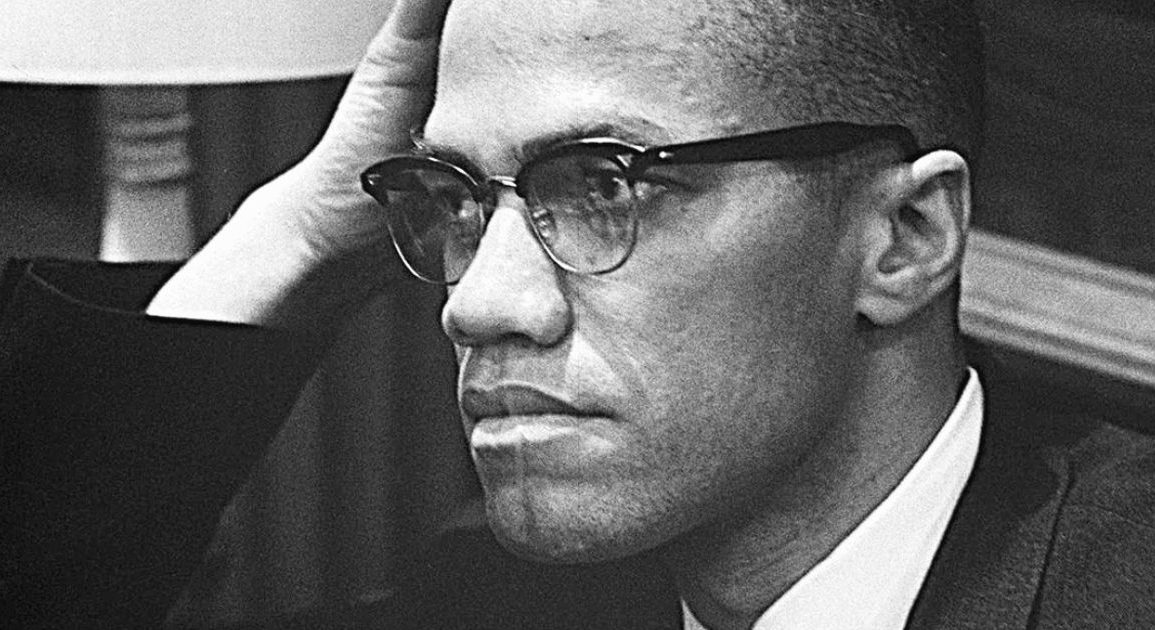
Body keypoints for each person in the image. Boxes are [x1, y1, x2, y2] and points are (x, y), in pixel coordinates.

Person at [3, 0, 1153, 628]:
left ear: (904, 238)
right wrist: (291, 239)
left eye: (606, 184)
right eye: (455, 196)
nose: (477, 303)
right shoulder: (505, 600)